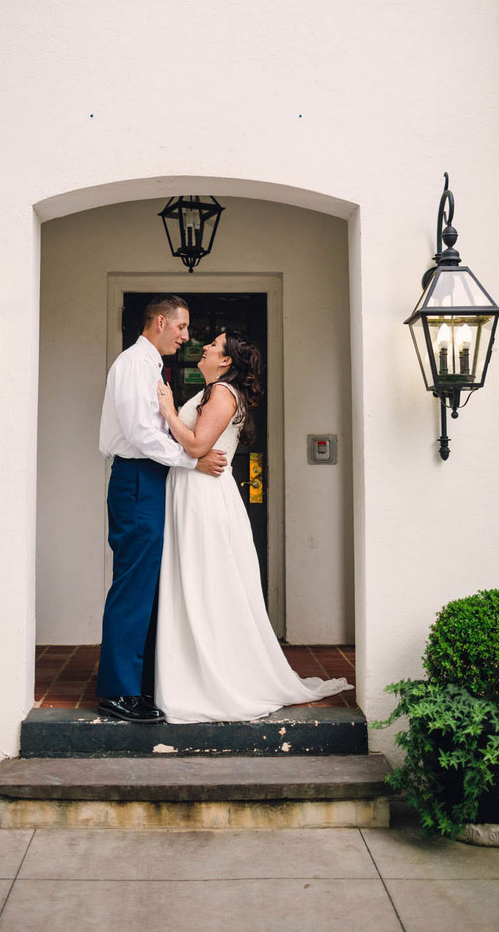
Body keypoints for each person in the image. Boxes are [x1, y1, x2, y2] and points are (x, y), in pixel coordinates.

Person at [155, 330, 353, 723]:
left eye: (213, 344)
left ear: (226, 360)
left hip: (203, 496)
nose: (205, 346)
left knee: (206, 581)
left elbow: (196, 446)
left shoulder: (223, 393)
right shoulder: (216, 390)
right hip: (194, 488)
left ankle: (216, 677)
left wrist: (168, 412)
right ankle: (195, 670)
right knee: (195, 581)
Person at [97, 295, 227, 723]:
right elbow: (140, 435)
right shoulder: (135, 364)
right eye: (181, 327)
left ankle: (141, 682)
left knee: (148, 582)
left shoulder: (149, 364)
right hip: (137, 478)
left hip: (149, 478)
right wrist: (192, 459)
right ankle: (119, 692)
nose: (187, 336)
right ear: (160, 322)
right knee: (133, 584)